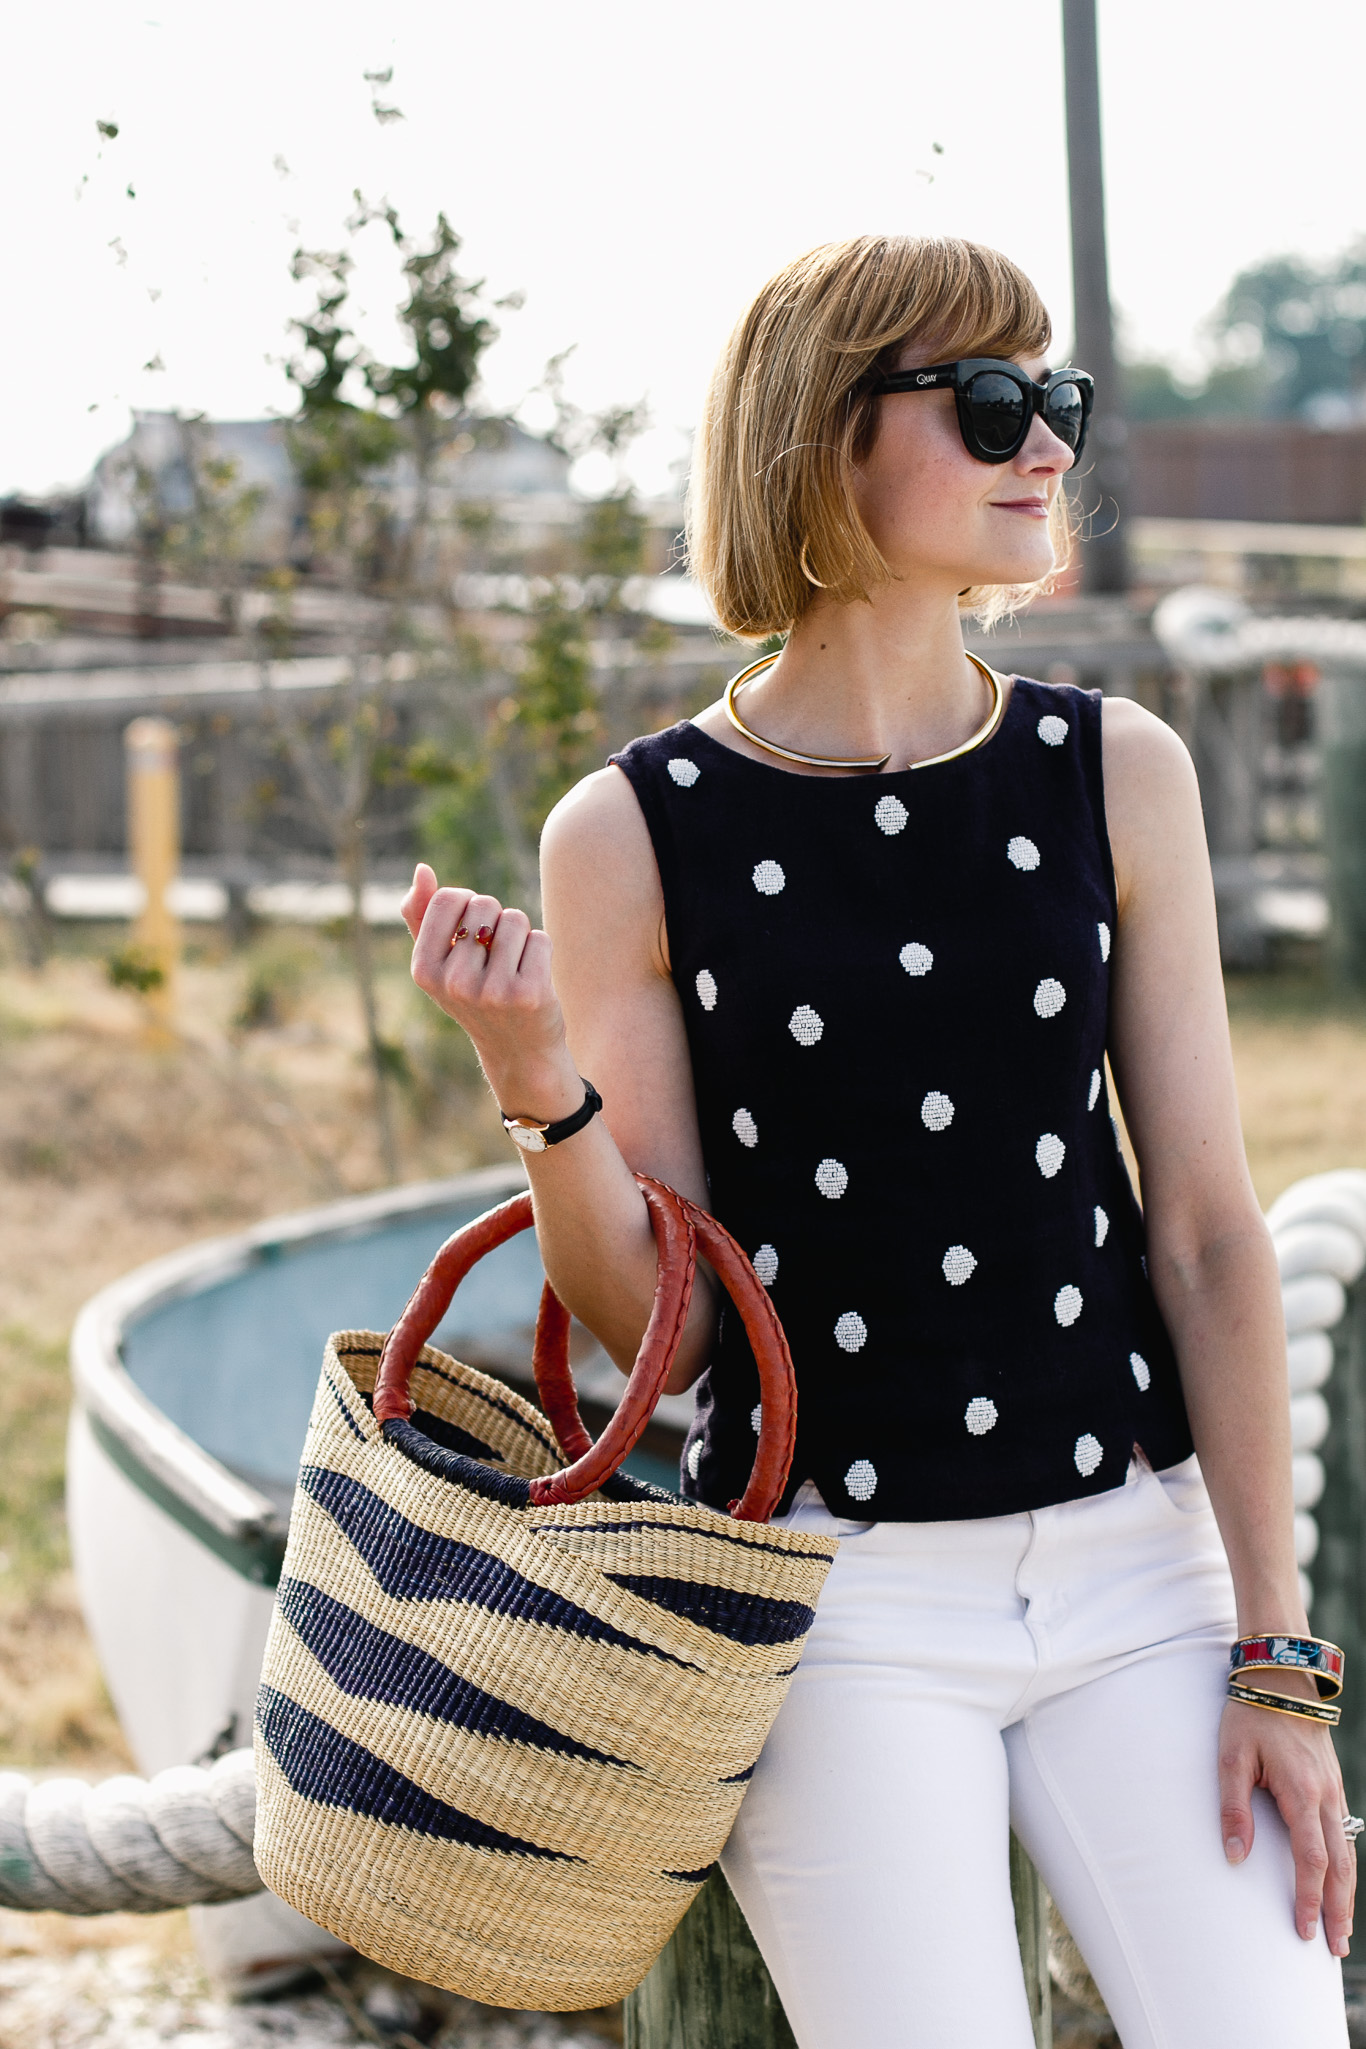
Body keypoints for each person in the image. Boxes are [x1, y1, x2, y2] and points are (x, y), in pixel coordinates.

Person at [401, 235, 1354, 2047]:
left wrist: (1278, 1654)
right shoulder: (629, 828)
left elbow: (1211, 1235)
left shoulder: (1114, 766)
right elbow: (655, 1327)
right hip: (830, 1603)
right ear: (819, 439)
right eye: (987, 402)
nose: (1046, 444)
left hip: (1143, 1570)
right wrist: (534, 1077)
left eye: (1054, 400)